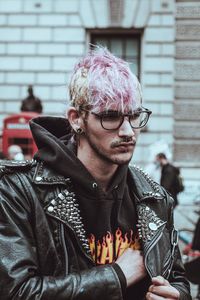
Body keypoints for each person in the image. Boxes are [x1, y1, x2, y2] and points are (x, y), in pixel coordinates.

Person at [0, 47, 191, 300]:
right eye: (110, 117)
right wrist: (116, 276)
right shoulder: (20, 191)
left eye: (134, 116)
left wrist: (177, 295)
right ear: (76, 119)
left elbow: (177, 277)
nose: (127, 131)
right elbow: (17, 292)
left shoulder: (154, 197)